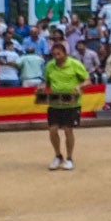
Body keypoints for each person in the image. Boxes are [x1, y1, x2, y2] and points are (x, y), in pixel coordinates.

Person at [43, 42, 87, 170]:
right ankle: (58, 156)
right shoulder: (50, 66)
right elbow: (47, 83)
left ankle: (69, 158)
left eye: (59, 54)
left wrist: (79, 86)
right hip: (55, 102)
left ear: (65, 53)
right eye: (54, 54)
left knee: (68, 130)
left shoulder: (75, 64)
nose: (56, 57)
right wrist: (42, 88)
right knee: (52, 130)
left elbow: (87, 80)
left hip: (71, 102)